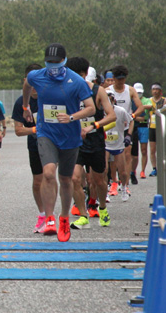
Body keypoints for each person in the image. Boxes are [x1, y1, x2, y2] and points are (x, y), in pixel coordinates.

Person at [22, 44, 95, 242]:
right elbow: (27, 85)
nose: (52, 65)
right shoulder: (38, 75)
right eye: (49, 62)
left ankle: (64, 217)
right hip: (46, 133)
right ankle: (50, 218)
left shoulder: (76, 81)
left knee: (65, 179)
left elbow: (91, 108)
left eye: (56, 62)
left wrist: (72, 117)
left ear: (64, 60)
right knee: (47, 173)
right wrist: (25, 105)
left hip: (70, 136)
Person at [65, 58, 116, 230]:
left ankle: (102, 208)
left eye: (79, 75)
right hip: (75, 142)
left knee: (99, 181)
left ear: (86, 74)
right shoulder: (66, 91)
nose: (76, 80)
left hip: (95, 140)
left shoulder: (98, 91)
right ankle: (83, 214)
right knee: (74, 178)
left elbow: (111, 116)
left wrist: (93, 126)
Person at [13, 64, 46, 233]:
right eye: (30, 83)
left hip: (55, 143)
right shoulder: (21, 102)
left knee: (56, 178)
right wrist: (36, 129)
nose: (34, 88)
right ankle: (43, 214)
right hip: (35, 145)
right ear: (25, 81)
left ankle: (54, 215)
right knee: (39, 181)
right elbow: (18, 130)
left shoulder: (50, 96)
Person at [106, 65, 144, 186]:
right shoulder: (107, 90)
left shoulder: (130, 90)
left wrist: (132, 116)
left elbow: (140, 107)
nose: (120, 81)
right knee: (112, 156)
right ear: (114, 78)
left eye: (123, 79)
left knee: (127, 154)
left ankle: (125, 184)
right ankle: (114, 181)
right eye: (118, 79)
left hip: (126, 127)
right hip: (112, 126)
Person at [104, 89, 134, 202]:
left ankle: (124, 187)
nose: (108, 102)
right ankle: (105, 190)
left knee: (122, 171)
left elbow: (131, 121)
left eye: (110, 99)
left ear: (114, 100)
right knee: (104, 169)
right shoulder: (100, 112)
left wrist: (129, 135)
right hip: (105, 143)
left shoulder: (120, 111)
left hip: (118, 144)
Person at [146, 82, 166, 177]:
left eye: (157, 89)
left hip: (162, 127)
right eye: (153, 89)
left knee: (163, 149)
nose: (155, 91)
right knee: (152, 150)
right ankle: (154, 168)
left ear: (160, 91)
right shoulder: (149, 100)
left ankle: (164, 167)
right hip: (152, 127)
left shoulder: (164, 101)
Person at [130, 83, 150, 181]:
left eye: (140, 93)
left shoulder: (144, 101)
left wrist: (132, 116)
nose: (138, 94)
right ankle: (131, 171)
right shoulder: (130, 100)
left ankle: (142, 170)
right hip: (131, 128)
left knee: (143, 150)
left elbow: (149, 107)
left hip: (142, 126)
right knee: (130, 153)